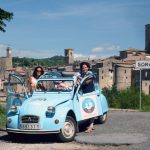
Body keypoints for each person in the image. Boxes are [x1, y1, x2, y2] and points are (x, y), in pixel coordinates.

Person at [74, 62, 95, 133]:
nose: (84, 69)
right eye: (82, 68)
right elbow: (78, 83)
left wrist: (78, 77)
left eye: (85, 67)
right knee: (85, 110)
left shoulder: (91, 74)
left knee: (91, 110)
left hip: (90, 93)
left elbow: (86, 82)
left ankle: (91, 126)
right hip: (83, 94)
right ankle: (86, 125)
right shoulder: (81, 74)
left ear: (88, 67)